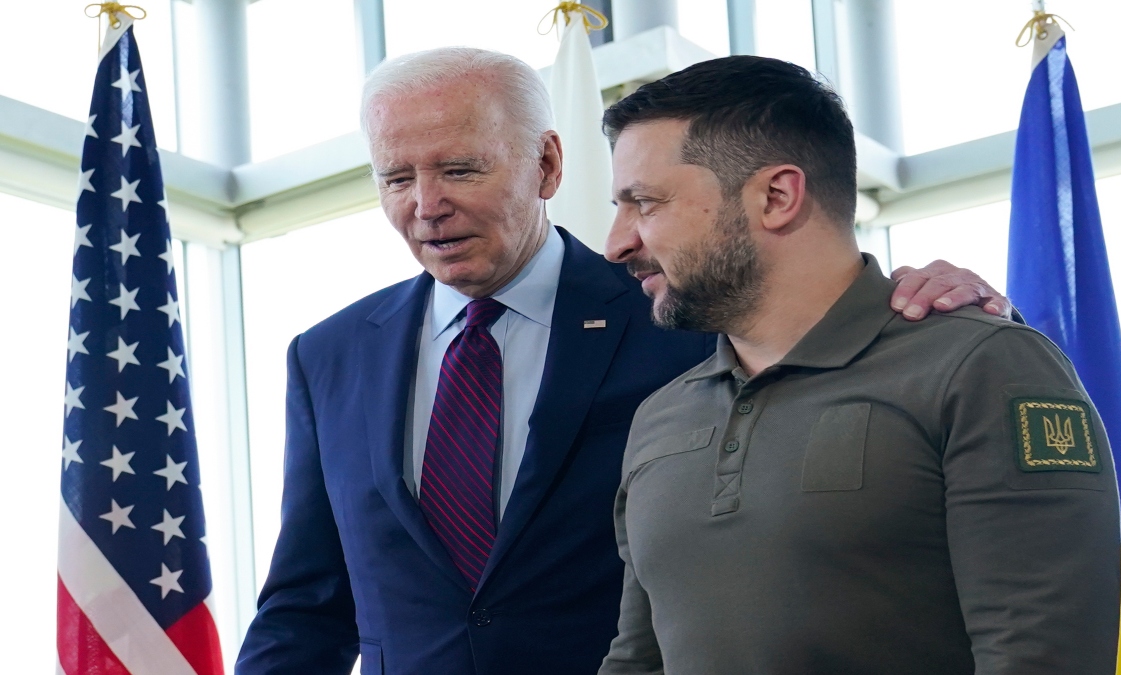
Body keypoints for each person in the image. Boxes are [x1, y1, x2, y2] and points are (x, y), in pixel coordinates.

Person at [235, 48, 1014, 675]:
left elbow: (819, 316)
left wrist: (943, 303)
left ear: (545, 165)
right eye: (397, 178)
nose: (425, 204)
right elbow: (309, 602)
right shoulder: (329, 354)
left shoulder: (680, 308)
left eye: (460, 169)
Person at [597, 55, 1121, 675]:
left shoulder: (982, 368)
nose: (616, 242)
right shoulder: (660, 415)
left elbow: (1042, 658)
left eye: (645, 203)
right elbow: (638, 659)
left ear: (776, 196)